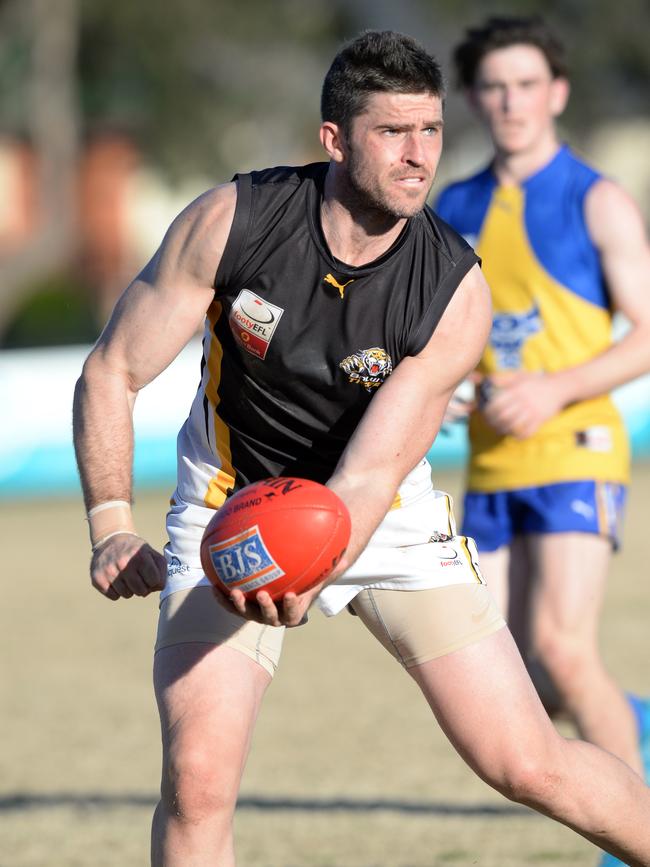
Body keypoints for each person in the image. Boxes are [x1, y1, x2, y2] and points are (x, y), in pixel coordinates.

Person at [73, 30, 650, 867]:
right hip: (227, 505)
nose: (419, 157)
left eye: (432, 132)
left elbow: (373, 470)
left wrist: (307, 562)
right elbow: (113, 368)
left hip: (383, 517)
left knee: (525, 761)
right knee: (198, 778)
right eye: (393, 133)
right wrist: (110, 523)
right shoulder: (234, 221)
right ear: (335, 138)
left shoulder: (453, 289)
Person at [435, 16, 650, 865]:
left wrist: (555, 387)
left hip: (579, 443)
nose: (511, 101)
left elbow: (647, 330)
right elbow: (440, 336)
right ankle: (630, 721)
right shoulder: (453, 206)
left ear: (556, 93)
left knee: (565, 645)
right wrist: (444, 388)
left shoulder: (595, 196)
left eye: (527, 84)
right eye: (494, 86)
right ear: (475, 99)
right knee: (528, 679)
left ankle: (625, 843)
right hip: (491, 458)